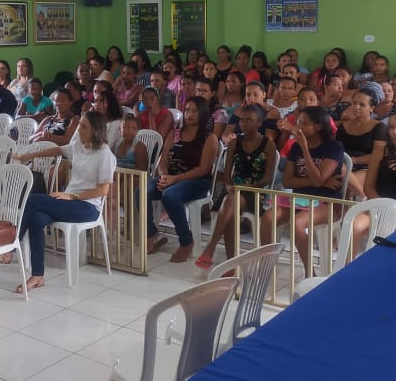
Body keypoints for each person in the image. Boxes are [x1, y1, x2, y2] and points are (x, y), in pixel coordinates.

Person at [15, 112, 117, 292]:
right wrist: (29, 155)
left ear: (95, 131)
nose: (79, 129)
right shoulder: (79, 145)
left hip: (88, 207)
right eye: (80, 125)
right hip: (69, 201)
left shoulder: (105, 155)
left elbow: (103, 190)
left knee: (33, 200)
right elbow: (58, 150)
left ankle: (10, 248)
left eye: (83, 126)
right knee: (36, 219)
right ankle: (38, 276)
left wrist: (73, 196)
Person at [261, 106, 345, 275]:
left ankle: (309, 272)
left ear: (318, 126)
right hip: (300, 199)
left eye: (304, 123)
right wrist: (320, 182)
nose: (299, 127)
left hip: (327, 202)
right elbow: (288, 181)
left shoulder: (333, 147)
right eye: (299, 122)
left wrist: (306, 149)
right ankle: (266, 265)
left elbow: (318, 179)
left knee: (297, 224)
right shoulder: (295, 147)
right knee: (268, 217)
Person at [196, 104, 276, 269]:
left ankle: (212, 247)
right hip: (233, 189)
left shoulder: (268, 145)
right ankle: (231, 264)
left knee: (230, 202)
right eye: (241, 120)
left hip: (255, 191)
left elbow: (268, 178)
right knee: (231, 207)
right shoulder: (234, 143)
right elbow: (227, 172)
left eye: (249, 120)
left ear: (259, 122)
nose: (243, 124)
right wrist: (228, 184)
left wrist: (247, 188)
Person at [145, 97, 220, 262]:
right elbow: (163, 161)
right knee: (142, 190)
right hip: (171, 178)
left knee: (170, 196)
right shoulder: (175, 133)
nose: (189, 114)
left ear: (202, 113)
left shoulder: (209, 137)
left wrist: (175, 179)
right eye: (187, 110)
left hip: (197, 181)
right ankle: (151, 233)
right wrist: (164, 176)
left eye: (194, 111)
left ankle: (186, 241)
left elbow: (203, 169)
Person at [335, 87, 387, 199]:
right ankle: (363, 199)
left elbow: (378, 155)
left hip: (367, 167)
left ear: (372, 108)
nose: (356, 107)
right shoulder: (343, 126)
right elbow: (336, 150)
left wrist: (353, 160)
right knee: (340, 174)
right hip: (343, 166)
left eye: (362, 105)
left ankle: (363, 199)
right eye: (354, 103)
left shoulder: (379, 127)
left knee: (347, 186)